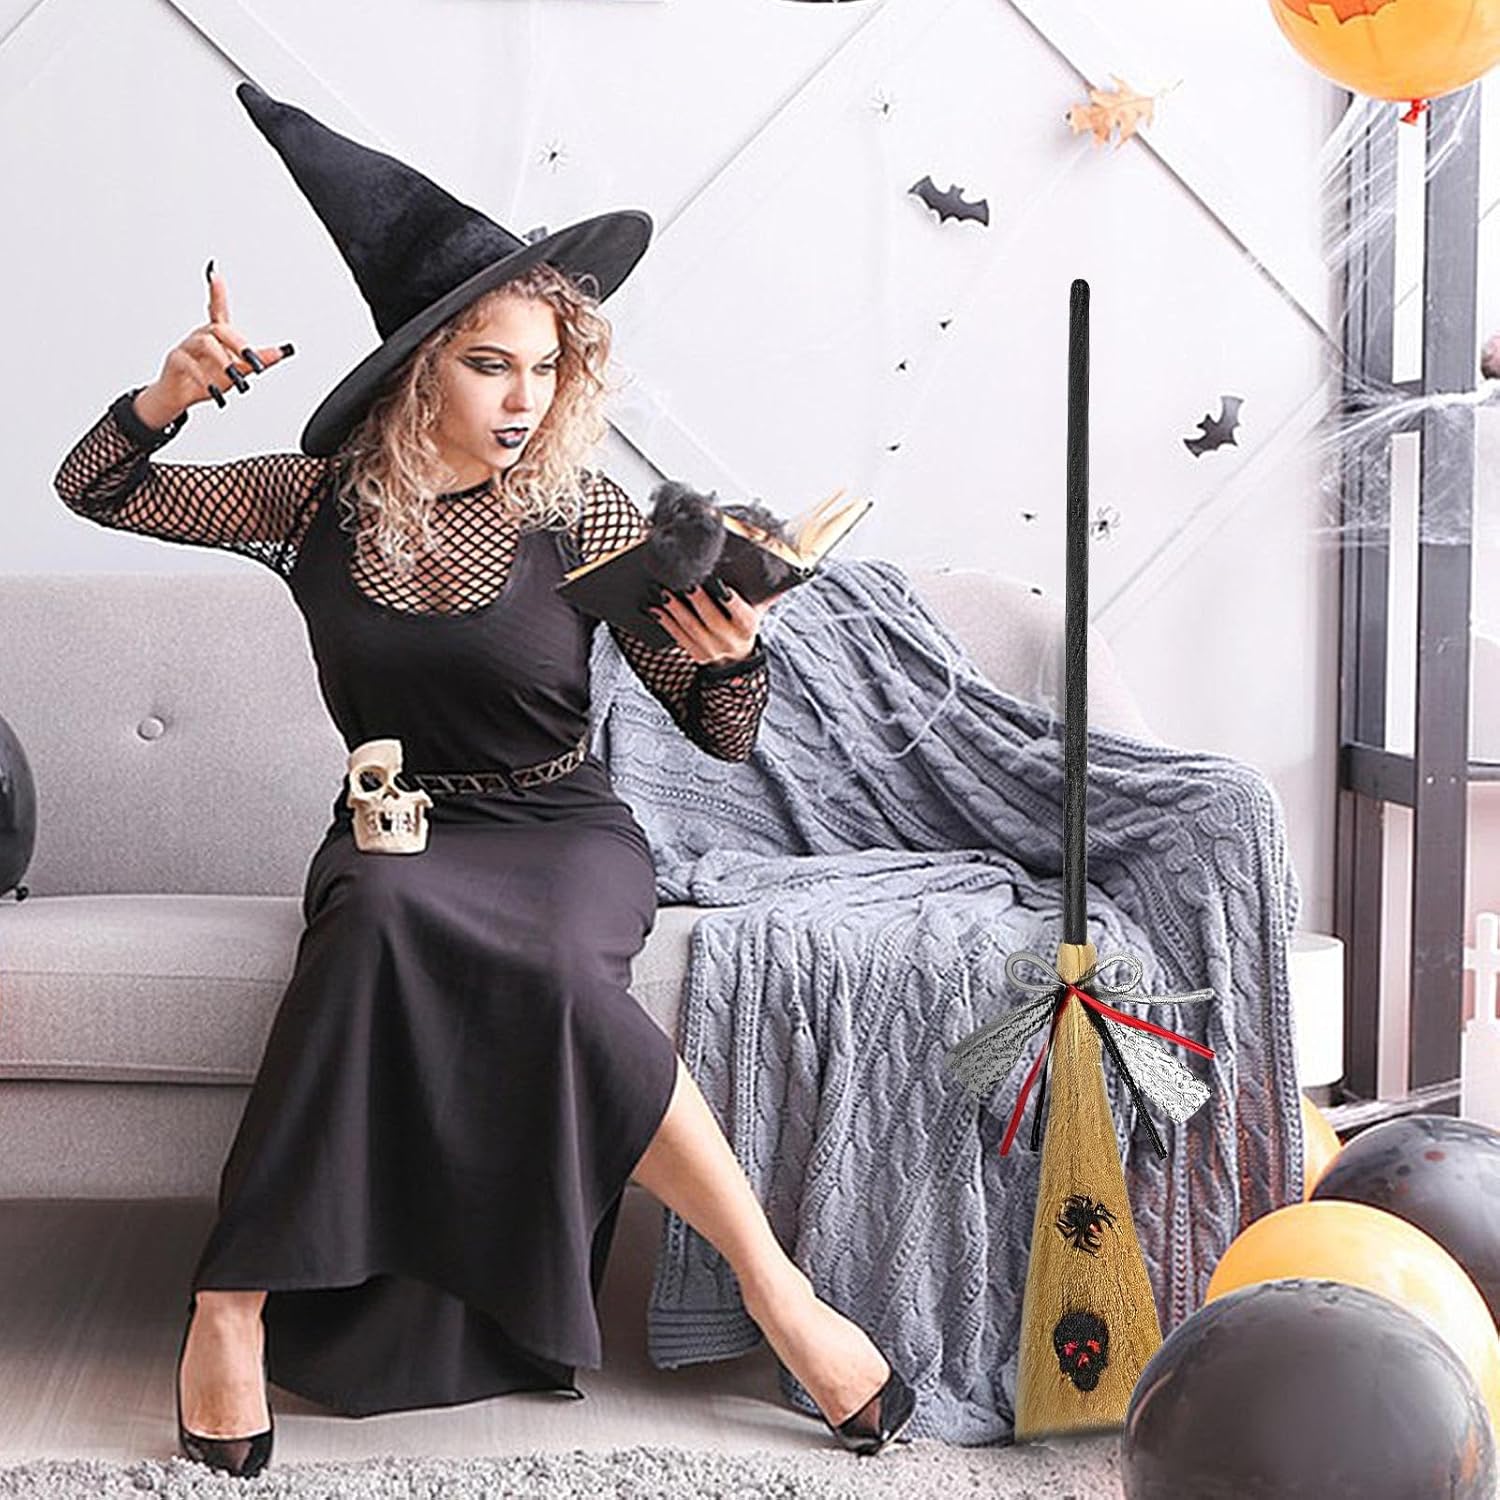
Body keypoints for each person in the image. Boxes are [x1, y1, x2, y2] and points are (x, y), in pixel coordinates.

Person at [51, 82, 916, 1479]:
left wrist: (735, 653)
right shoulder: (309, 502)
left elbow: (722, 734)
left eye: (548, 369)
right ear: (419, 369)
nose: (527, 401)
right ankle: (230, 1306)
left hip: (562, 829)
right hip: (396, 827)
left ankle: (779, 1292)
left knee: (565, 978)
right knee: (375, 924)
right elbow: (96, 489)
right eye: (491, 367)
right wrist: (170, 397)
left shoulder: (583, 511)